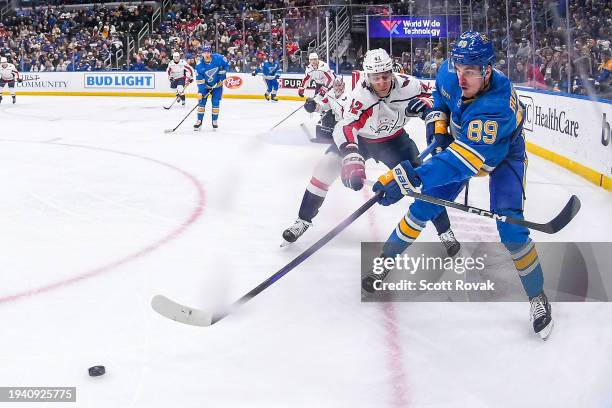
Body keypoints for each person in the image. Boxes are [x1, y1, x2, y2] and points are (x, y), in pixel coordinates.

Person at [371, 31, 553, 340]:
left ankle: (537, 297)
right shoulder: (448, 71)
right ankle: (386, 260)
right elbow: (440, 100)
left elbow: (463, 162)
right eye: (459, 68)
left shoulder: (496, 105)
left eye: (470, 71)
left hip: (501, 154)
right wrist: (439, 128)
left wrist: (408, 177)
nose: (461, 76)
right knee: (423, 206)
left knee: (511, 228)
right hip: (462, 143)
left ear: (487, 69)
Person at [282, 49, 459, 257]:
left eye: (385, 76)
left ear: (391, 72)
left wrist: (428, 104)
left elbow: (434, 95)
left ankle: (445, 231)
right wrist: (351, 157)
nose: (382, 82)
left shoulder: (408, 84)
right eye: (376, 78)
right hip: (362, 142)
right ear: (367, 76)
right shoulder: (360, 96)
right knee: (324, 169)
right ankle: (303, 220)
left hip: (396, 141)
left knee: (428, 181)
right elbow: (345, 127)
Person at [194, 44, 230, 130]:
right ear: (202, 54)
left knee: (215, 102)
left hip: (217, 86)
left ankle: (214, 121)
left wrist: (223, 73)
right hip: (205, 87)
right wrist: (201, 93)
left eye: (208, 52)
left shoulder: (219, 58)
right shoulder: (199, 66)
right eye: (204, 52)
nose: (206, 54)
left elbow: (227, 65)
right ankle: (199, 121)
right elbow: (200, 82)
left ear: (210, 53)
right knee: (201, 103)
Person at [303, 77, 349, 143]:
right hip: (337, 117)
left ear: (343, 85)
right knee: (325, 117)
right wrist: (315, 106)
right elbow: (325, 104)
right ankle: (327, 136)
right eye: (336, 86)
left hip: (346, 121)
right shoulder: (330, 94)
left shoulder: (349, 96)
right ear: (333, 86)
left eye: (340, 85)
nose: (338, 88)